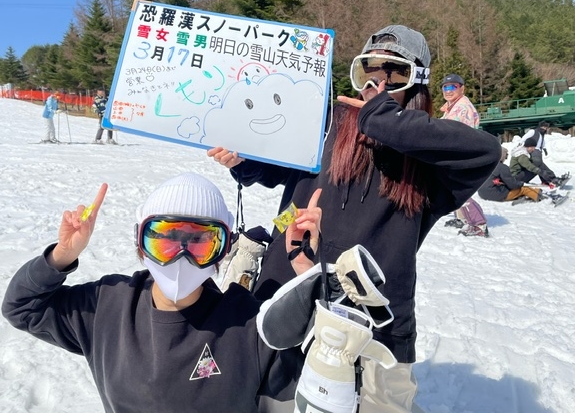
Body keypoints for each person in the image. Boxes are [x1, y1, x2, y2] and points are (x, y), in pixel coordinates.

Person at [209, 25, 501, 412]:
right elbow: (277, 164)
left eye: (394, 73)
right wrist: (245, 160)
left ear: (418, 83)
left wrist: (382, 120)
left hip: (374, 331)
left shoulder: (428, 166)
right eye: (369, 71)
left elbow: (485, 152)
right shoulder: (325, 125)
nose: (378, 83)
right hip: (289, 306)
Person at [2, 172, 325, 412]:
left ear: (223, 249)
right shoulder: (107, 306)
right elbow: (22, 307)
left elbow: (320, 378)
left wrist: (309, 278)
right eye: (165, 239)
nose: (181, 256)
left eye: (200, 241)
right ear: (141, 244)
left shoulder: (247, 323)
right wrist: (62, 255)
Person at [440, 73, 489, 237]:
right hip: (455, 155)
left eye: (452, 87)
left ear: (462, 88)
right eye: (445, 87)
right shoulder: (452, 106)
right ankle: (461, 218)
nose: (448, 90)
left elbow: (455, 135)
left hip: (459, 156)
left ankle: (478, 224)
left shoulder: (462, 108)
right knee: (450, 189)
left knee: (458, 191)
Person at [478, 147, 543, 203]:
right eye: (506, 156)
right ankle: (539, 196)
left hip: (482, 193)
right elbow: (512, 185)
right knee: (524, 189)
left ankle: (520, 195)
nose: (506, 158)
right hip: (496, 195)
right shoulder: (502, 167)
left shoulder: (487, 165)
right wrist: (521, 184)